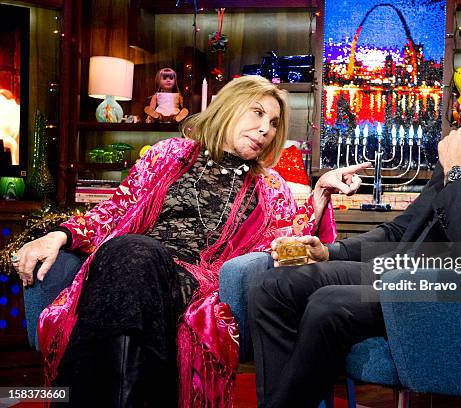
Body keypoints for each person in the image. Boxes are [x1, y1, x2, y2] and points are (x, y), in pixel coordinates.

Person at [248, 40, 461, 407]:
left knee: (328, 304)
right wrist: (331, 251)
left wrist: (457, 172)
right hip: (402, 272)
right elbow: (403, 228)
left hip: (456, 294)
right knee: (271, 286)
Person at [13, 75, 370, 407]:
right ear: (228, 108)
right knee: (133, 254)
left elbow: (287, 250)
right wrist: (59, 234)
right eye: (258, 113)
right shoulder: (167, 154)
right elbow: (115, 209)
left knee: (135, 260)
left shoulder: (272, 188)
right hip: (128, 263)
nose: (265, 129)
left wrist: (320, 195)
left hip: (194, 282)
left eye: (274, 124)